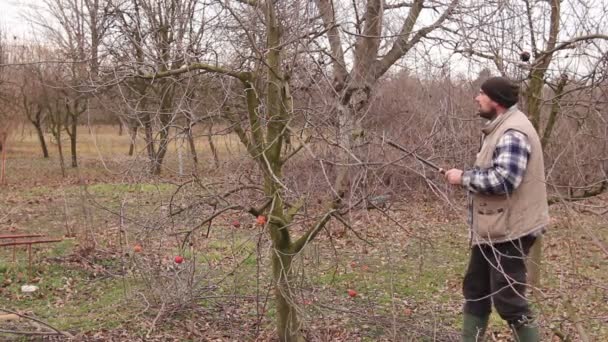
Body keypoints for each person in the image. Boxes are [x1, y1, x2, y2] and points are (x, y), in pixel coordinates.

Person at [444, 76, 549, 342]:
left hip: (512, 230)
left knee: (509, 301)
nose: (476, 98)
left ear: (496, 100)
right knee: (476, 289)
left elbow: (505, 180)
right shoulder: (501, 127)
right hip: (493, 227)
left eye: (481, 93)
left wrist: (463, 178)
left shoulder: (513, 132)